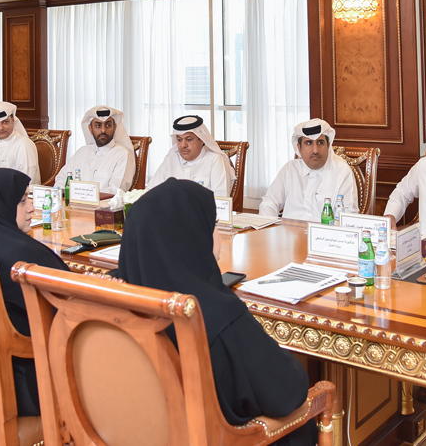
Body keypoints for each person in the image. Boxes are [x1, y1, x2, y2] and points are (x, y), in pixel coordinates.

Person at [118, 179, 315, 445]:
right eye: (212, 227)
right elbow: (287, 392)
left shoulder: (118, 301)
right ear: (192, 238)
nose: (218, 237)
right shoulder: (213, 315)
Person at [0, 168, 70, 416]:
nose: (31, 208)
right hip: (29, 383)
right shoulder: (22, 257)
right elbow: (71, 306)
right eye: (21, 201)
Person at [260, 118, 359, 221]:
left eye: (320, 143)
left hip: (323, 234)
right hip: (289, 234)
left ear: (328, 146)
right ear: (299, 148)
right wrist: (271, 230)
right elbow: (268, 204)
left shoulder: (342, 172)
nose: (315, 150)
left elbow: (349, 217)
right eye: (308, 143)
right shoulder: (290, 169)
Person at [54, 106, 135, 193]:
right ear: (90, 129)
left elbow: (115, 191)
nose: (103, 130)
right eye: (98, 125)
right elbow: (61, 179)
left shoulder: (123, 155)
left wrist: (83, 194)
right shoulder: (82, 152)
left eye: (108, 125)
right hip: (73, 204)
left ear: (114, 128)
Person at [147, 115, 233, 197]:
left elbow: (221, 200)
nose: (183, 145)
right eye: (179, 140)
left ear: (202, 140)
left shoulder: (215, 161)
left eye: (189, 139)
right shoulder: (171, 159)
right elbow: (150, 191)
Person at [0, 102, 40, 183]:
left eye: (5, 122)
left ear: (12, 121)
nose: (1, 128)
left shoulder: (23, 144)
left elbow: (26, 181)